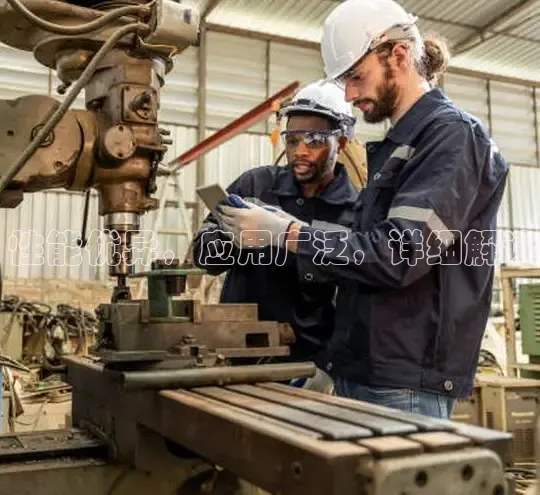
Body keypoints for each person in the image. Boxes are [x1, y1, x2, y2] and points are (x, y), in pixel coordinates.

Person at [216, 0, 509, 419]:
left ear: (399, 55)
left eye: (356, 77)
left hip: (404, 381)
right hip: (366, 370)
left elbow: (398, 254)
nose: (350, 96)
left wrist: (287, 235)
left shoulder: (451, 138)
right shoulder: (399, 147)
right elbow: (362, 252)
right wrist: (334, 359)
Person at [190, 81, 359, 382]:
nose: (300, 151)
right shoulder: (255, 186)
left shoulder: (354, 211)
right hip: (236, 356)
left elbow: (353, 299)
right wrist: (234, 238)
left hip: (305, 367)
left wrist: (326, 368)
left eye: (315, 141)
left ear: (342, 143)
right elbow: (204, 256)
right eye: (292, 140)